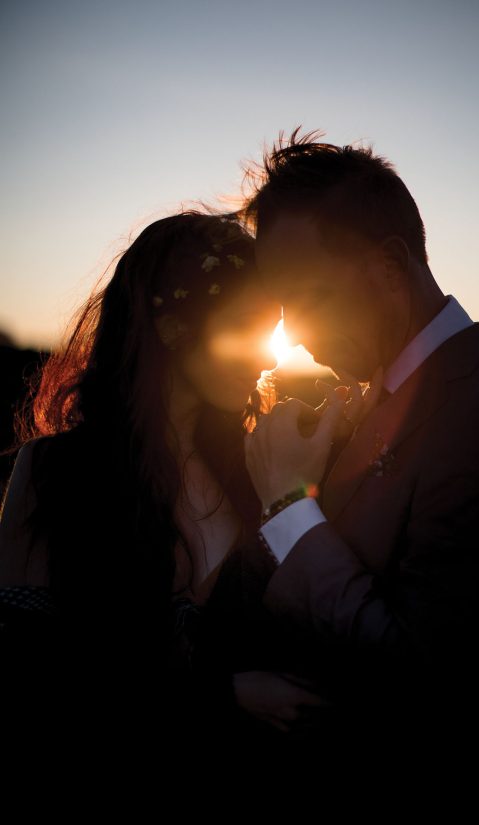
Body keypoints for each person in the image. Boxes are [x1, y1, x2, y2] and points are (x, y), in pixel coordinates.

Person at [234, 130, 479, 812]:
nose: (293, 333)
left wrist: (289, 503)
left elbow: (421, 680)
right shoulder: (381, 394)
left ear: (389, 268)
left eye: (307, 296)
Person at [0, 210, 333, 778]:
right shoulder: (54, 472)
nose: (269, 356)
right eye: (244, 326)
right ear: (173, 326)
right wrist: (220, 694)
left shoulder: (257, 473)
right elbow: (30, 676)